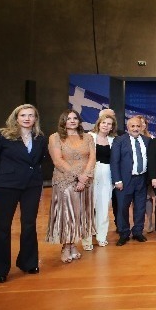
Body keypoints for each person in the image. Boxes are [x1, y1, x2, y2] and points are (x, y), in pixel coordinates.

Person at [0, 104, 47, 283]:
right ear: (16, 117)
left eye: (31, 115)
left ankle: (28, 263)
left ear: (35, 119)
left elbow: (39, 160)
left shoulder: (40, 138)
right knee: (2, 227)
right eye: (23, 115)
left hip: (32, 186)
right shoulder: (3, 136)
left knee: (29, 224)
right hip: (7, 186)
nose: (27, 118)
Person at [46, 110, 96, 262]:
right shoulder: (55, 137)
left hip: (85, 181)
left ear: (79, 121)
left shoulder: (87, 137)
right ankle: (65, 247)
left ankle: (73, 245)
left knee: (80, 214)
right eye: (68, 119)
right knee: (67, 215)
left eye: (75, 118)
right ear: (63, 121)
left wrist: (84, 178)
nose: (72, 121)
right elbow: (57, 161)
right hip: (65, 181)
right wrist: (77, 176)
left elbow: (92, 158)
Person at [111, 116, 151, 246]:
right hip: (124, 180)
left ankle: (138, 232)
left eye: (138, 126)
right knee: (122, 207)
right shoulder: (119, 140)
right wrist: (117, 180)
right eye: (132, 126)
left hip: (142, 179)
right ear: (128, 127)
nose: (135, 128)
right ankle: (124, 233)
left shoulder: (147, 140)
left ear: (142, 127)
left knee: (140, 207)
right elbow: (114, 161)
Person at [89, 113, 116, 247]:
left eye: (109, 124)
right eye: (104, 123)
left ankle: (101, 236)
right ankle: (87, 237)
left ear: (112, 127)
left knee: (104, 207)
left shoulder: (113, 140)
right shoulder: (89, 137)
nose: (106, 125)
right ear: (98, 124)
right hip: (91, 174)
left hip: (107, 175)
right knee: (89, 207)